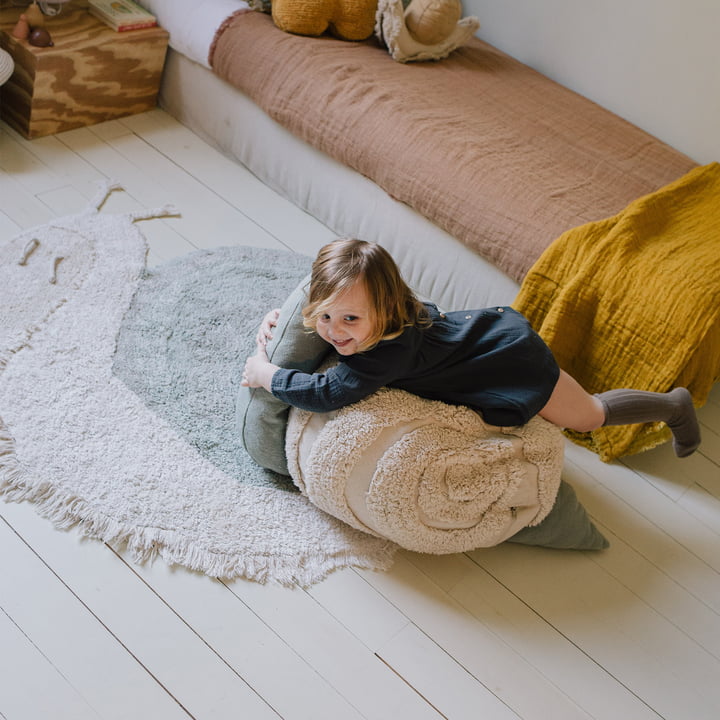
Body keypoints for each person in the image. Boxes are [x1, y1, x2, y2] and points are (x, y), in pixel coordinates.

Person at [242, 238, 701, 458]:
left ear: (382, 310)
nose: (335, 331)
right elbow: (317, 315)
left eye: (350, 320)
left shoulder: (386, 353)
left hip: (511, 363)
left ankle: (673, 406)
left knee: (588, 416)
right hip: (488, 339)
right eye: (324, 317)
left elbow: (327, 392)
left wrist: (266, 375)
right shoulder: (389, 309)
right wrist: (282, 322)